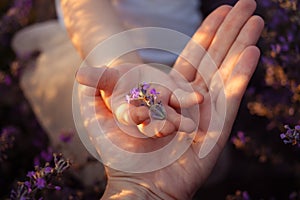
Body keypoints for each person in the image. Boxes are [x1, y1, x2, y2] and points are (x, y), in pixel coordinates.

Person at [67, 0, 264, 199]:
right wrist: (123, 65)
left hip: (186, 56)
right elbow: (82, 7)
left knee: (206, 150)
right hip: (109, 53)